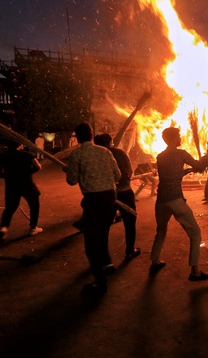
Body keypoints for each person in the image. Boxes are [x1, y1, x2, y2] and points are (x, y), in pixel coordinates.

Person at [150, 127, 208, 281]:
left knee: (161, 230)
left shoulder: (160, 156)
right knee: (195, 233)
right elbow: (200, 166)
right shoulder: (181, 153)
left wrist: (185, 171)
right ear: (172, 140)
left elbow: (168, 174)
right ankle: (195, 271)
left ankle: (155, 261)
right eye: (178, 136)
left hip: (161, 200)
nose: (181, 138)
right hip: (175, 199)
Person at [66, 122, 121, 295]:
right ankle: (107, 264)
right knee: (103, 233)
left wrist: (68, 170)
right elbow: (118, 175)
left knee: (91, 243)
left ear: (78, 137)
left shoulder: (77, 154)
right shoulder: (105, 151)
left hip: (94, 200)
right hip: (111, 198)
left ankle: (100, 282)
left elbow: (72, 180)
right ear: (91, 135)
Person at [94, 134, 139, 261]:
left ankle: (104, 256)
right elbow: (129, 171)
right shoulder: (120, 153)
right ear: (110, 142)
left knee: (105, 225)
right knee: (130, 222)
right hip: (124, 192)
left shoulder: (95, 156)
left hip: (105, 194)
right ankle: (130, 250)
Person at [0, 141, 42, 242]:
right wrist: (28, 171)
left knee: (10, 208)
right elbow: (38, 167)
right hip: (27, 184)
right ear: (20, 145)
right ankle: (33, 228)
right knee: (34, 205)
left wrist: (8, 176)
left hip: (11, 185)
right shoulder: (27, 155)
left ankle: (3, 228)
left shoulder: (2, 156)